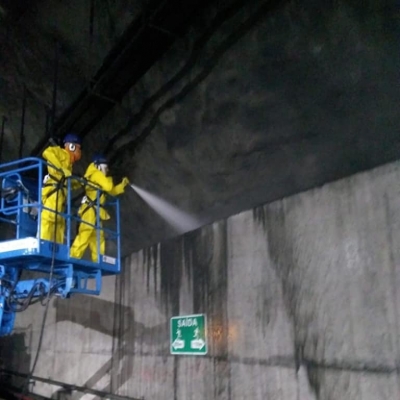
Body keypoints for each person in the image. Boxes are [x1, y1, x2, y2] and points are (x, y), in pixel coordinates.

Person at [70, 154, 129, 262]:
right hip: (90, 210)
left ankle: (98, 260)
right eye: (105, 168)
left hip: (95, 211)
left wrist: (122, 186)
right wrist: (110, 178)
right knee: (85, 234)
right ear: (98, 166)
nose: (107, 170)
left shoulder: (98, 177)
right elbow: (108, 187)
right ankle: (73, 257)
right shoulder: (96, 174)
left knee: (97, 238)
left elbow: (110, 191)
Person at [40, 133, 82, 243]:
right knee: (49, 218)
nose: (79, 151)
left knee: (59, 222)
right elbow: (47, 152)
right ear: (72, 146)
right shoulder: (59, 152)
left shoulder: (68, 164)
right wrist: (61, 168)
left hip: (61, 198)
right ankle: (43, 243)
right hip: (53, 194)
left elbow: (67, 181)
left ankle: (58, 248)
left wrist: (81, 183)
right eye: (78, 148)